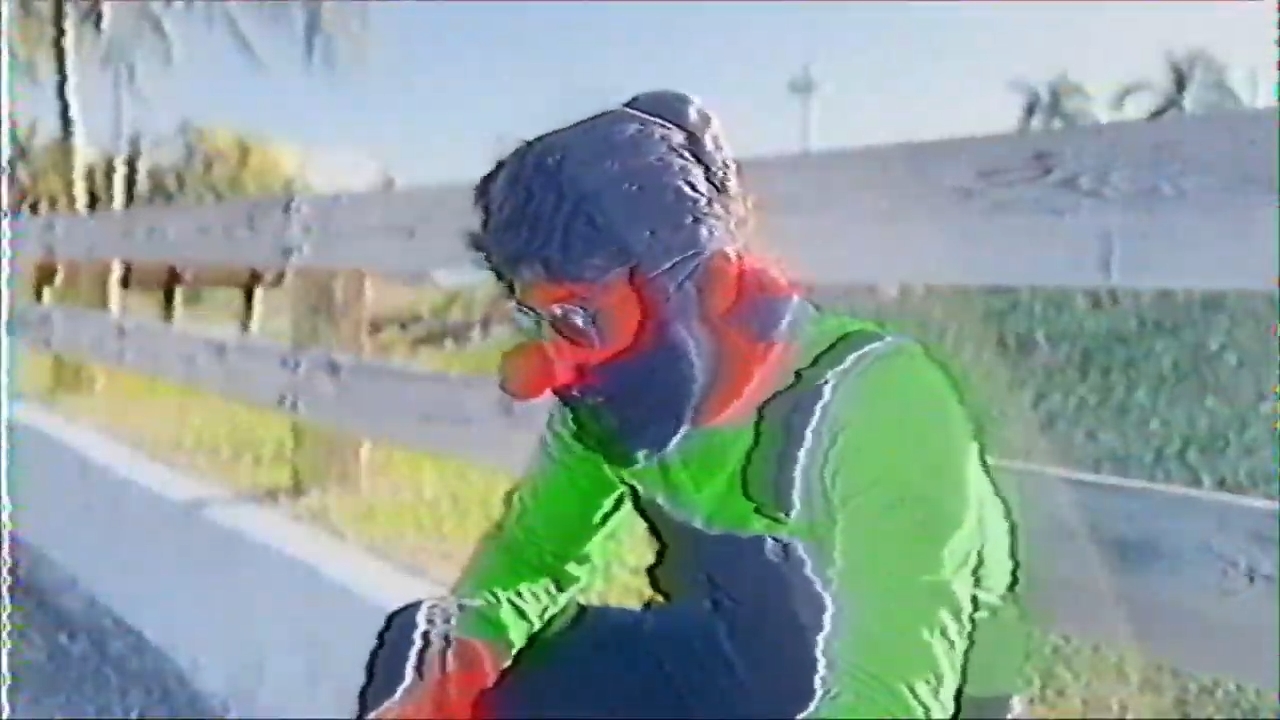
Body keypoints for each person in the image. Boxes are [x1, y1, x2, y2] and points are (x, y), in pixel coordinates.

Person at [357, 91, 1030, 719]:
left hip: (915, 693)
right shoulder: (608, 400)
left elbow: (892, 695)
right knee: (422, 643)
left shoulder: (877, 404)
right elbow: (534, 554)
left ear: (706, 286)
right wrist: (455, 674)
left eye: (578, 318)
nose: (542, 368)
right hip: (734, 657)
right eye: (539, 322)